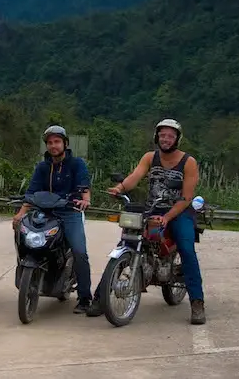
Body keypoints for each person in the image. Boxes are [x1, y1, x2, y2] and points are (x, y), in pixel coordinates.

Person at [85, 118, 206, 325]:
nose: (165, 139)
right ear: (156, 136)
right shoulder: (150, 157)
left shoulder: (189, 162)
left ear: (177, 138)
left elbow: (187, 198)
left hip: (179, 211)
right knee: (125, 243)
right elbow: (135, 176)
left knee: (186, 249)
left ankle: (197, 302)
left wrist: (167, 217)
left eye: (170, 136)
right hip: (152, 208)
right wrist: (121, 189)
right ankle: (100, 298)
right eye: (162, 135)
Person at [12, 125, 94, 314]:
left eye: (57, 142)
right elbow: (31, 192)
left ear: (65, 143)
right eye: (49, 143)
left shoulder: (76, 164)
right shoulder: (42, 167)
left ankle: (84, 298)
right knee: (24, 236)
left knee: (80, 252)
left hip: (69, 211)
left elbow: (84, 186)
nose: (53, 146)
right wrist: (20, 213)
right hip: (44, 211)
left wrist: (85, 200)